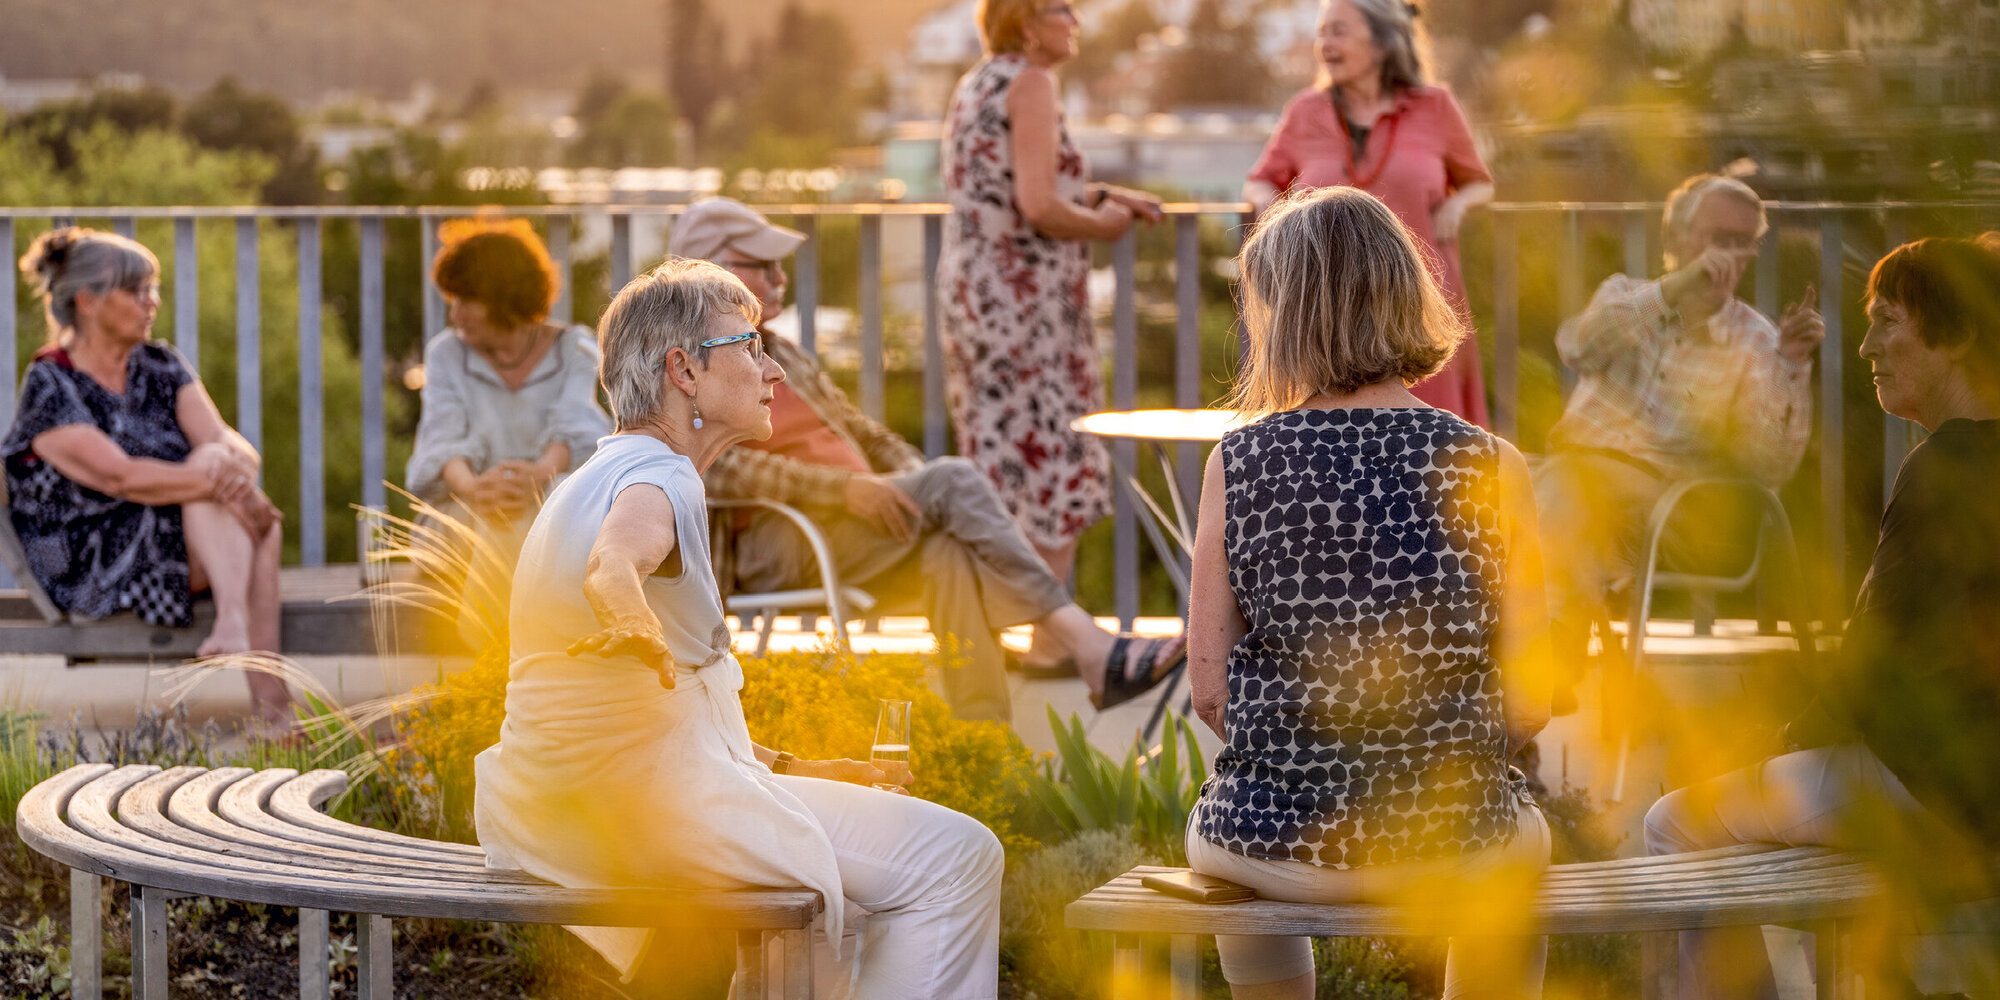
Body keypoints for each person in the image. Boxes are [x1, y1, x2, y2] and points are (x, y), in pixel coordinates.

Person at [473, 259, 1005, 998]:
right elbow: (616, 561)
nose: (773, 370)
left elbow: (646, 708)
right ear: (683, 370)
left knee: (858, 896)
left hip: (567, 804)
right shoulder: (661, 477)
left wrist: (792, 768)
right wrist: (628, 616)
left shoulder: (593, 476)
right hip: (638, 813)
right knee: (960, 857)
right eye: (750, 346)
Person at [1184, 188, 1553, 1000]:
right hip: (1457, 841)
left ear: (1283, 313)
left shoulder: (1239, 463)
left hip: (1273, 845)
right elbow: (1532, 701)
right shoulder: (1493, 464)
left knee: (1219, 846)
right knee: (1521, 853)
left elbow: (1211, 695)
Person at [1643, 235, 2000, 999]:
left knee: (1675, 823)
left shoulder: (1943, 465)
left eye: (1886, 321)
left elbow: (1875, 661)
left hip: (1943, 795)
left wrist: (1785, 738)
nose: (1865, 344)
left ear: (1960, 334)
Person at [674, 197, 1185, 722]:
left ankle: (983, 743)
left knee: (948, 554)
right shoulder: (690, 362)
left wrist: (909, 480)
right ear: (713, 270)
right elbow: (716, 468)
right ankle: (1088, 644)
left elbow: (861, 431)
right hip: (777, 537)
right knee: (954, 480)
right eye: (764, 265)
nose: (781, 278)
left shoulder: (781, 349)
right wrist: (847, 489)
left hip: (849, 522)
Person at [1536, 173, 1823, 710]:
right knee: (1481, 495)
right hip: (1569, 478)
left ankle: (1540, 664)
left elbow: (1770, 466)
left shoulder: (1758, 341)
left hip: (1660, 502)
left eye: (1742, 243)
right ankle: (1534, 668)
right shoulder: (1627, 296)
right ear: (1676, 240)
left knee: (1561, 496)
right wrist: (1675, 290)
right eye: (1717, 237)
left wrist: (1791, 365)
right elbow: (1578, 346)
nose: (1728, 254)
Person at [2, 228, 293, 724]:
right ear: (89, 302)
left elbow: (230, 443)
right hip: (93, 559)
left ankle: (249, 659)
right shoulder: (51, 383)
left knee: (237, 492)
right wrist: (217, 477)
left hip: (173, 535)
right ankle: (270, 702)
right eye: (136, 291)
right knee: (231, 495)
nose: (151, 302)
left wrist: (229, 470)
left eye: (153, 289)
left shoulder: (160, 364)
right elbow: (121, 479)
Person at [938, 0, 1164, 583]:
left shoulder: (979, 82)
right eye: (1062, 8)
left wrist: (1097, 194)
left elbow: (1014, 184)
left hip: (979, 293)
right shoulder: (1032, 82)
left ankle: (992, 624)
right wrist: (1105, 225)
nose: (1076, 20)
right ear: (1028, 21)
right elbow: (1038, 206)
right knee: (1051, 451)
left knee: (997, 453)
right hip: (1025, 303)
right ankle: (1048, 636)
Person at [1244, 0, 1497, 428]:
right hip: (1327, 301)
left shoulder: (1435, 107)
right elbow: (1259, 181)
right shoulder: (1307, 111)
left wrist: (1458, 203)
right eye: (1322, 32)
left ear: (1380, 45)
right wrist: (1275, 214)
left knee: (1436, 434)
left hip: (1416, 293)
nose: (1325, 43)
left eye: (1339, 31)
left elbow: (1480, 182)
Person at [405, 218, 610, 557]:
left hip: (550, 499)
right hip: (470, 506)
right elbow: (442, 437)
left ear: (505, 299)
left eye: (466, 302)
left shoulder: (575, 348)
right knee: (492, 524)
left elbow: (574, 426)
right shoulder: (446, 353)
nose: (455, 315)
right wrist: (475, 488)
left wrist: (540, 476)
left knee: (546, 516)